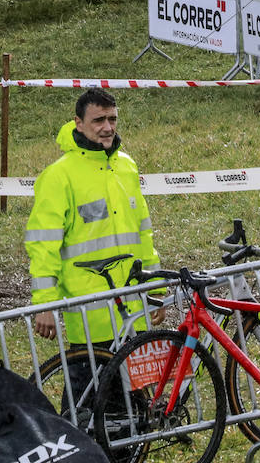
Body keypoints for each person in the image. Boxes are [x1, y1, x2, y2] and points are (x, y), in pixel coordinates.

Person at [26, 88, 161, 342]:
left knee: (136, 385)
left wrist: (156, 288)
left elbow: (143, 233)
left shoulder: (127, 166)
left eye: (112, 119)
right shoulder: (58, 176)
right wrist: (44, 303)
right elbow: (43, 245)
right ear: (78, 123)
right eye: (98, 120)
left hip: (136, 315)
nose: (108, 127)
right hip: (91, 322)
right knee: (85, 384)